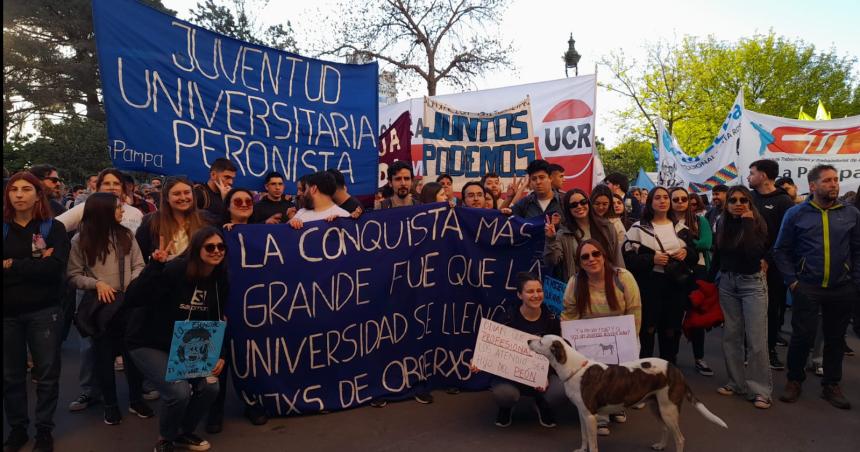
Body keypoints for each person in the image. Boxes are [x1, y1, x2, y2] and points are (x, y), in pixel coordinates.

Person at [125, 227, 228, 452]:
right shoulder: (175, 270)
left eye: (221, 247)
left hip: (188, 344)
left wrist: (219, 354)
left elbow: (217, 319)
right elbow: (134, 297)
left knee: (210, 386)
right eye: (210, 247)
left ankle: (184, 432)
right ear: (196, 249)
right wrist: (155, 266)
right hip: (148, 342)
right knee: (178, 391)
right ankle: (166, 438)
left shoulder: (220, 279)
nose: (217, 251)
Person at [775, 165, 860, 410]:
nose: (834, 184)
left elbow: (857, 250)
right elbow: (781, 250)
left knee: (835, 338)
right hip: (808, 286)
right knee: (802, 336)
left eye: (836, 180)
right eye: (827, 181)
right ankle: (794, 380)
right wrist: (793, 280)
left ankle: (831, 385)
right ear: (813, 186)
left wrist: (855, 282)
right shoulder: (796, 214)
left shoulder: (851, 213)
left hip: (842, 288)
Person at [66, 192, 153, 425]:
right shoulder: (80, 240)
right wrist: (97, 284)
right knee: (103, 358)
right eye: (118, 208)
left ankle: (136, 400)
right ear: (103, 211)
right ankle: (110, 404)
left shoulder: (126, 235)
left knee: (132, 356)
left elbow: (139, 264)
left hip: (127, 304)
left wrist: (131, 284)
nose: (122, 211)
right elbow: (73, 275)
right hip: (100, 307)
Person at [3, 172, 71, 452]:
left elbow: (55, 269)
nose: (19, 194)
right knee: (11, 376)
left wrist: (11, 266)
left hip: (45, 312)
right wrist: (34, 266)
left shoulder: (51, 228)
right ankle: (18, 429)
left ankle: (44, 430)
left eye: (26, 189)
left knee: (46, 374)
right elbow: (42, 268)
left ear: (37, 194)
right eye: (13, 189)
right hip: (7, 314)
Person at [561, 239, 642, 435]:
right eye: (585, 257)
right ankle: (600, 417)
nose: (591, 259)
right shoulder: (575, 282)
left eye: (596, 254)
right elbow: (569, 313)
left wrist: (631, 339)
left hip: (622, 334)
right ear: (579, 262)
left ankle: (618, 407)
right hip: (588, 339)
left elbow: (634, 309)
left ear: (604, 255)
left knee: (619, 375)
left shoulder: (623, 277)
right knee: (596, 377)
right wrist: (571, 342)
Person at [470, 272, 566, 428]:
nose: (536, 295)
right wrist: (478, 360)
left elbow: (558, 355)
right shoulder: (507, 318)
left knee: (560, 391)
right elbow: (491, 349)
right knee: (505, 394)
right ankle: (506, 408)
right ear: (520, 295)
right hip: (511, 378)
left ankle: (541, 402)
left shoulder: (552, 320)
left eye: (539, 290)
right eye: (530, 291)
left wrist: (545, 375)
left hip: (543, 377)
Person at [711, 185, 772, 409]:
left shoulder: (757, 223)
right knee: (731, 336)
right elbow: (717, 254)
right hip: (727, 283)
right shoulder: (722, 222)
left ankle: (760, 390)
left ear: (750, 203)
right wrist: (708, 283)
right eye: (733, 200)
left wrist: (746, 223)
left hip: (752, 284)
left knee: (756, 340)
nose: (738, 204)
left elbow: (753, 254)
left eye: (743, 200)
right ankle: (736, 382)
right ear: (727, 204)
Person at [623, 187, 697, 364]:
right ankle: (646, 371)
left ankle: (669, 369)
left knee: (671, 329)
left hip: (675, 286)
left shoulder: (681, 228)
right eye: (657, 197)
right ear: (650, 202)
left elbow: (694, 255)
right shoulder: (638, 228)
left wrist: (686, 252)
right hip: (649, 286)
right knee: (647, 329)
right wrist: (652, 259)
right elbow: (628, 259)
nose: (662, 201)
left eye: (665, 197)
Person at [747, 159, 795, 370]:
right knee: (749, 311)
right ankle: (751, 351)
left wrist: (767, 258)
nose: (749, 177)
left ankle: (770, 350)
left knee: (772, 309)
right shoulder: (748, 198)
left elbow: (784, 237)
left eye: (752, 173)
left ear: (763, 176)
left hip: (774, 268)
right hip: (748, 265)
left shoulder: (784, 202)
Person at [669, 187, 714, 376]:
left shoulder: (699, 220)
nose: (680, 202)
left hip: (698, 271)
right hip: (673, 272)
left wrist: (685, 244)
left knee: (697, 316)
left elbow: (706, 243)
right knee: (674, 316)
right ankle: (671, 358)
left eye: (683, 199)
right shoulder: (665, 221)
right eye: (676, 199)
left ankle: (699, 358)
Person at [545, 188, 621, 282]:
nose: (579, 206)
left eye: (583, 202)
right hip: (579, 287)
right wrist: (550, 239)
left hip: (608, 282)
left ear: (588, 203)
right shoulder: (564, 233)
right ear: (568, 209)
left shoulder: (606, 227)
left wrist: (621, 281)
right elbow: (552, 261)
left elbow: (617, 257)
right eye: (574, 205)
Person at [136, 177, 209, 262]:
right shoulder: (150, 221)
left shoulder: (205, 219)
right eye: (177, 194)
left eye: (187, 192)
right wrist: (155, 262)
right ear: (167, 197)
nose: (183, 197)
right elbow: (140, 259)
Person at [58, 168, 144, 234]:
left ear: (123, 188)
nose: (112, 187)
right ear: (98, 188)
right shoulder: (86, 207)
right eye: (106, 184)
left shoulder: (136, 213)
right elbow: (56, 226)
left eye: (116, 184)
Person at [591, 184, 626, 250]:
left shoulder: (616, 223)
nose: (601, 207)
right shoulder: (585, 220)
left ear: (610, 204)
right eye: (597, 204)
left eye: (605, 204)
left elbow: (620, 249)